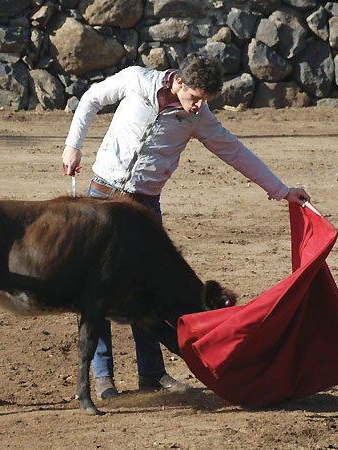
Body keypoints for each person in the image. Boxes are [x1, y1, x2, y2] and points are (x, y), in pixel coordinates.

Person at [61, 54, 310, 401]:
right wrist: (73, 145)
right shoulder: (136, 80)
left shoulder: (199, 117)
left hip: (144, 208)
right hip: (102, 197)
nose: (198, 107)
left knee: (147, 291)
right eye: (195, 98)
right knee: (96, 287)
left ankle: (151, 373)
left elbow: (234, 151)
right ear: (178, 82)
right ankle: (103, 376)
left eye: (205, 101)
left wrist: (280, 190)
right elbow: (92, 98)